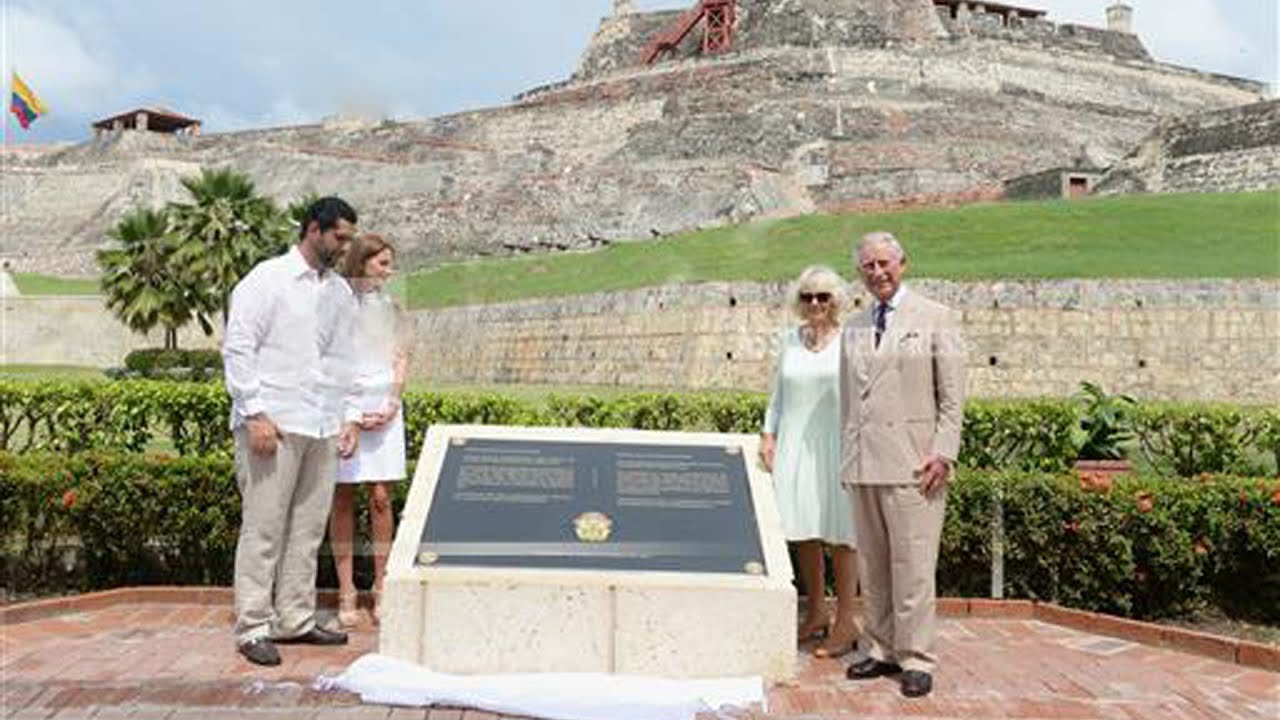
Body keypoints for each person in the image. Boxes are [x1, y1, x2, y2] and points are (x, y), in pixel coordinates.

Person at [223, 196, 363, 666]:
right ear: (313, 230)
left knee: (306, 529)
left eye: (348, 239)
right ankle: (253, 626)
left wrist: (350, 416)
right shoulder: (267, 279)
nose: (344, 247)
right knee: (263, 528)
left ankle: (295, 619)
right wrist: (255, 412)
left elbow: (344, 357)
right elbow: (238, 347)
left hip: (321, 424)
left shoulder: (340, 292)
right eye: (338, 238)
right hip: (274, 423)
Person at [839, 232, 965, 698]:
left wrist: (944, 452)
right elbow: (848, 402)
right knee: (872, 565)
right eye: (868, 266)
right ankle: (880, 648)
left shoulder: (936, 318)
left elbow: (952, 398)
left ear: (903, 264)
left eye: (884, 264)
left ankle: (916, 657)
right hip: (864, 462)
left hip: (916, 463)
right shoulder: (852, 326)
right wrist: (847, 459)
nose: (878, 273)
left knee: (912, 565)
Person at [760, 265, 860, 659]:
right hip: (795, 445)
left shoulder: (850, 342)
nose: (815, 303)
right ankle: (816, 611)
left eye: (823, 296)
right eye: (807, 296)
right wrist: (769, 434)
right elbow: (777, 397)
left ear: (836, 300)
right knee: (802, 528)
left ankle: (847, 619)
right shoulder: (789, 340)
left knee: (841, 533)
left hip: (836, 445)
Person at [329, 233, 410, 627]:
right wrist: (354, 413)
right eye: (382, 264)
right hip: (346, 407)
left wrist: (392, 402)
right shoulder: (336, 307)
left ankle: (381, 585)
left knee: (380, 497)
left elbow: (401, 356)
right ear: (361, 264)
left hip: (385, 408)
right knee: (342, 495)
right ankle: (346, 590)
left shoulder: (393, 308)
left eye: (390, 264)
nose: (389, 272)